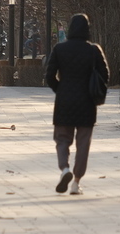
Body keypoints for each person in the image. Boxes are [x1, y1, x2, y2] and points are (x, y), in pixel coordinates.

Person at [45, 13, 109, 195]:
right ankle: (76, 182)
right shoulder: (94, 50)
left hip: (64, 100)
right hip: (86, 102)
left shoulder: (59, 49)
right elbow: (105, 75)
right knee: (83, 143)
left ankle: (65, 169)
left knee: (62, 139)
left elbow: (49, 76)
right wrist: (94, 91)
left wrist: (60, 89)